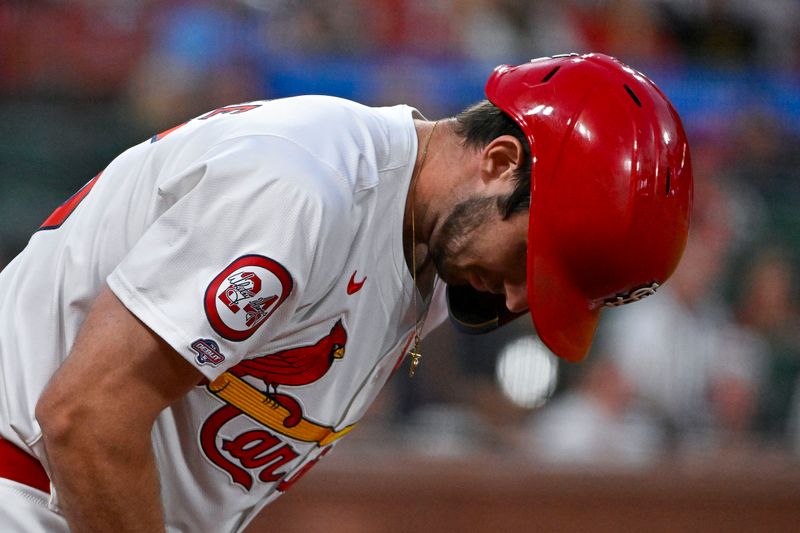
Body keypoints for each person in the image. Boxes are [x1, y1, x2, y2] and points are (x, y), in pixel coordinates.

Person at [0, 53, 692, 532]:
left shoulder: (425, 243)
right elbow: (85, 416)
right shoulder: (304, 188)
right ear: (500, 161)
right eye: (529, 261)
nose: (516, 298)